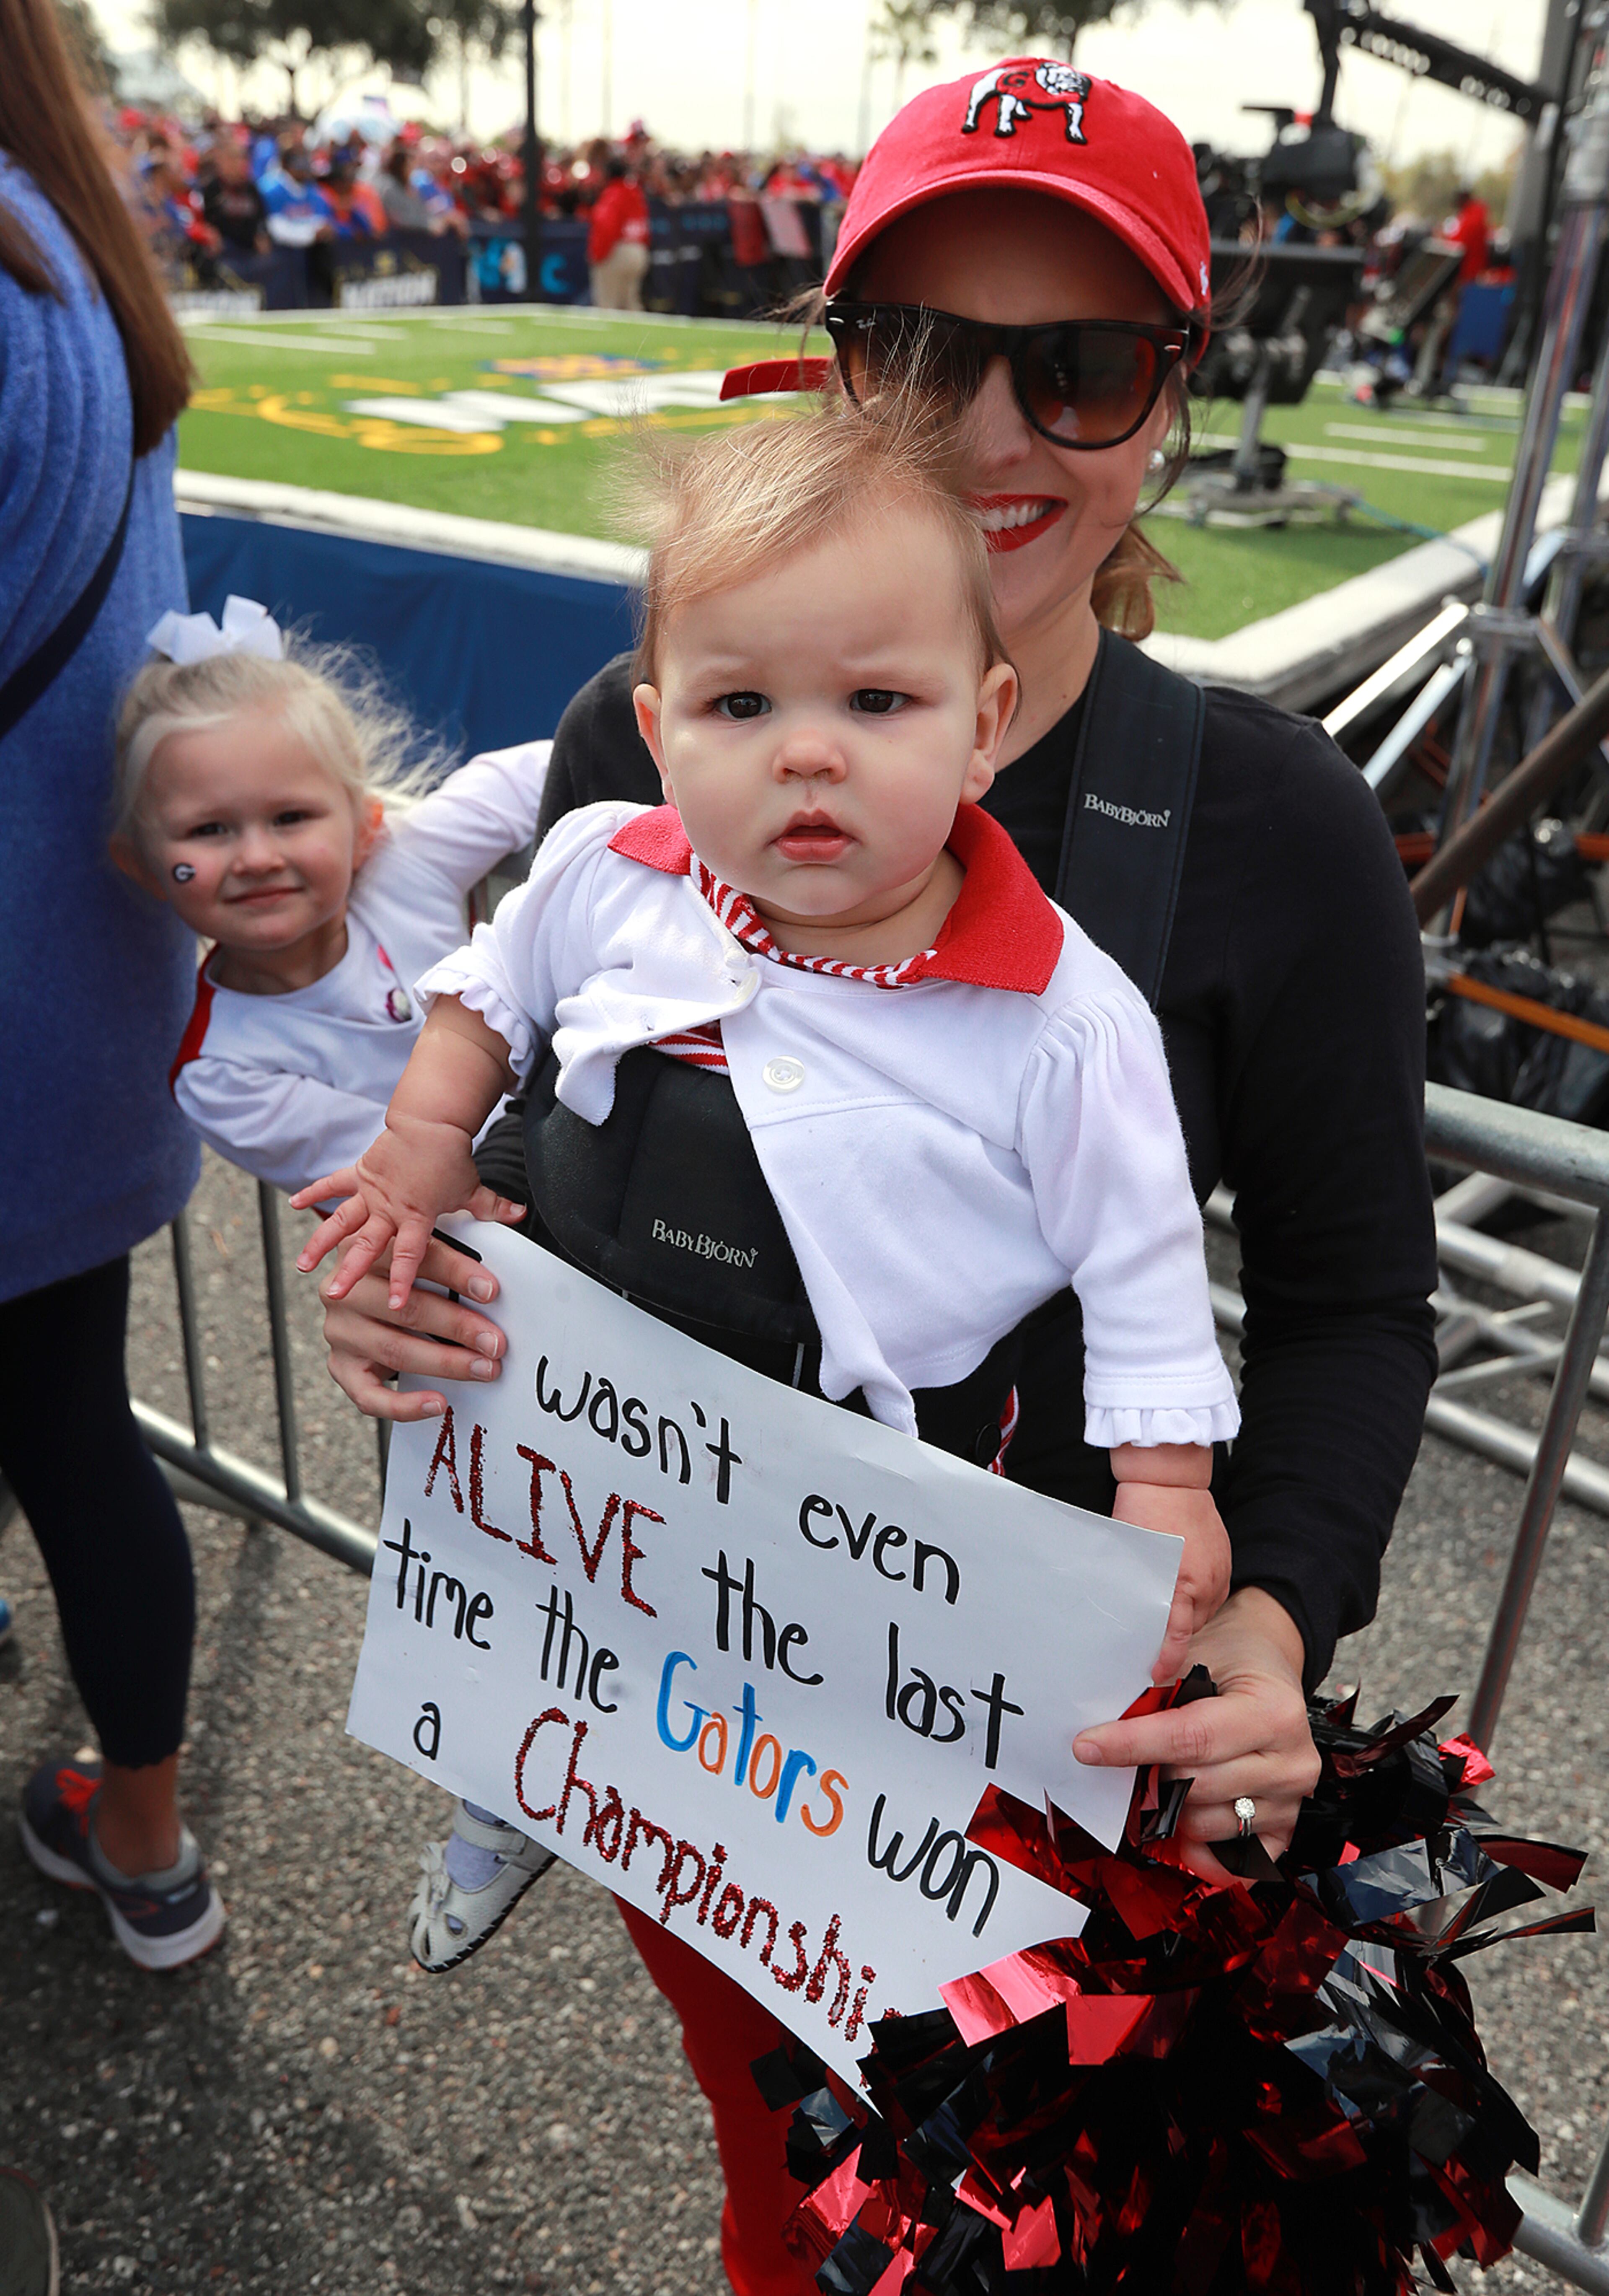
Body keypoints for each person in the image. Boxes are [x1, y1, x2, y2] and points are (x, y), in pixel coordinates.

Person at [316, 61, 1437, 2295]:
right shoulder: (647, 745)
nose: (998, 432)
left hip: (1061, 1753)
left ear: (1171, 407)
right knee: (796, 2201)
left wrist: (1276, 1619)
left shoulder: (1274, 824)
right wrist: (431, 1275)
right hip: (701, 1703)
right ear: (835, 372)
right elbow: (561, 1123)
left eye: (1082, 363)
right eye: (924, 351)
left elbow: (1353, 1300)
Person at [108, 603, 558, 1974]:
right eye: (209, 830)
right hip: (439, 1301)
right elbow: (400, 1175)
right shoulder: (216, 1063)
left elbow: (567, 761)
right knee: (478, 1535)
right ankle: (513, 1775)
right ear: (142, 864)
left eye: (291, 814)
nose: (255, 854)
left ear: (362, 818)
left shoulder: (410, 865)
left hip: (593, 1227)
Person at [1, 0, 220, 1970]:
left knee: (71, 1428)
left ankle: (142, 1833)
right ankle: (147, 1840)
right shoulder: (74, 240)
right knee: (77, 1419)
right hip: (86, 995)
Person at [587, 155, 650, 309]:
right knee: (630, 303)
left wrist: (597, 256)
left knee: (608, 305)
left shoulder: (613, 194)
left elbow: (606, 227)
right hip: (638, 250)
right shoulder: (635, 192)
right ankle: (641, 334)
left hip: (618, 251)